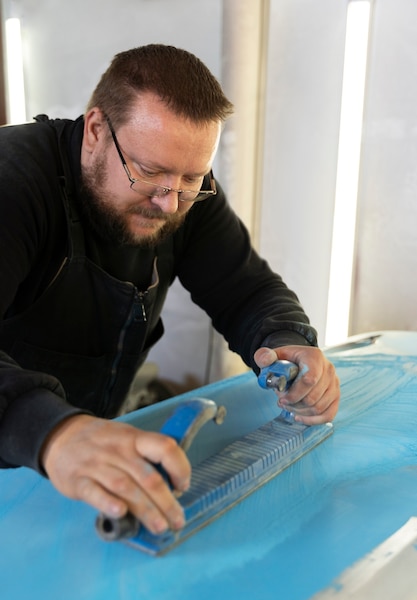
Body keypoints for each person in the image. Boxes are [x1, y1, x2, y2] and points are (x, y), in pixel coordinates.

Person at [0, 44, 339, 535]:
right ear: (96, 130)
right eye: (150, 172)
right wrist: (52, 432)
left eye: (191, 179)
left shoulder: (180, 190)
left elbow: (244, 288)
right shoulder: (14, 183)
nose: (168, 203)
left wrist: (288, 340)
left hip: (84, 459)